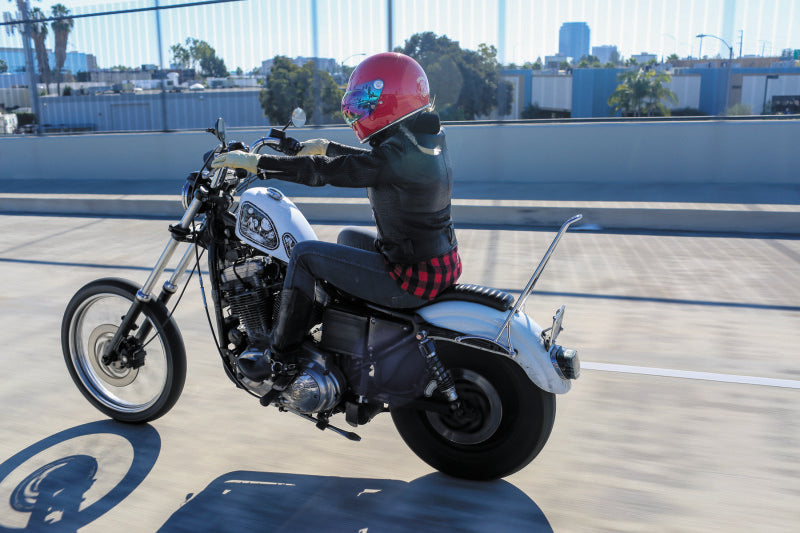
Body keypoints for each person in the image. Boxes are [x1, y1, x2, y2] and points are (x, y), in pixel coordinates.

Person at [211, 52, 461, 381]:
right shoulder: (424, 140)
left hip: (411, 278)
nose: (357, 111)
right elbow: (374, 164)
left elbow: (327, 173)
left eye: (365, 102)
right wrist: (327, 147)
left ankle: (281, 358)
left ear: (392, 101)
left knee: (304, 256)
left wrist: (260, 164)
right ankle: (346, 332)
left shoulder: (400, 154)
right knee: (348, 237)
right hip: (436, 262)